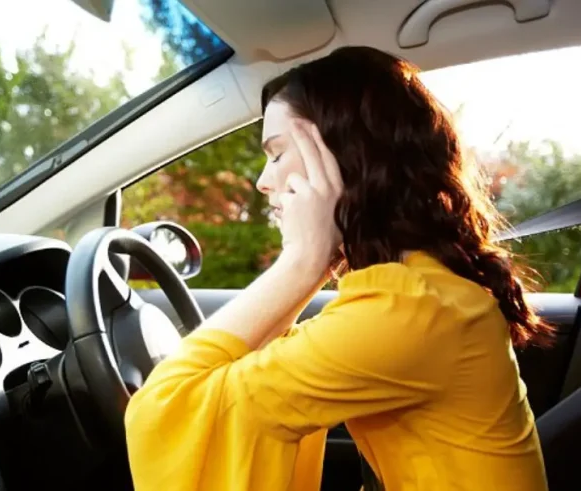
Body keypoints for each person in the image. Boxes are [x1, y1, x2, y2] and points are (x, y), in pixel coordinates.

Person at [124, 46, 551, 491]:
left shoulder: (412, 309)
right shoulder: (418, 289)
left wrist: (303, 262)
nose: (263, 182)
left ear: (345, 156)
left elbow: (167, 408)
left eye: (276, 154)